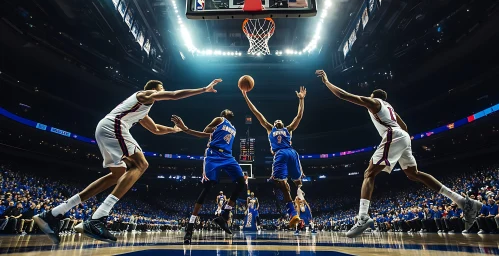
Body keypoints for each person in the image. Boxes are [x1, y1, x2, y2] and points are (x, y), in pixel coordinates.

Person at [33, 79, 222, 244]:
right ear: (154, 89)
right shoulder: (144, 94)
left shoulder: (141, 110)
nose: (161, 91)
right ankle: (97, 219)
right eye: (160, 88)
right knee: (142, 164)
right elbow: (173, 95)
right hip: (113, 126)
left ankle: (53, 214)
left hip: (106, 128)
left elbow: (155, 129)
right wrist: (203, 89)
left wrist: (175, 130)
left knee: (117, 175)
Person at [315, 69, 483, 238]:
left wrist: (327, 82)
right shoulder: (391, 109)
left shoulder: (375, 103)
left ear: (374, 96)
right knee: (413, 174)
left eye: (371, 95)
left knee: (369, 173)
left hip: (393, 135)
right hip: (403, 136)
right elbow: (405, 127)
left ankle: (363, 217)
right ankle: (463, 202)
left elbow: (344, 95)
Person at [171, 112, 246, 244]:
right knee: (208, 186)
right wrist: (186, 129)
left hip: (228, 156)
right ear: (223, 114)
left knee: (241, 182)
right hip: (213, 153)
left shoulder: (233, 128)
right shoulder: (219, 119)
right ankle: (190, 226)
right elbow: (204, 132)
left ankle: (224, 215)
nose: (229, 111)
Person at [241, 86, 306, 229]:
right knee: (280, 183)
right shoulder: (270, 128)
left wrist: (301, 100)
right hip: (280, 154)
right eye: (275, 120)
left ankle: (300, 194)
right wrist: (246, 97)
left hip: (291, 152)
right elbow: (256, 113)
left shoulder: (288, 129)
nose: (277, 121)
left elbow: (299, 116)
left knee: (298, 181)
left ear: (282, 124)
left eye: (279, 120)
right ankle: (292, 213)